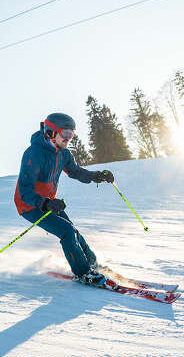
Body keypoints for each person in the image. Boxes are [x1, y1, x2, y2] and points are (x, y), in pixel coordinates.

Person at [14, 113, 114, 285]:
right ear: (51, 132)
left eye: (72, 134)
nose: (69, 139)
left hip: (48, 204)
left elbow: (75, 172)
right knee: (66, 231)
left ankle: (92, 263)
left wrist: (97, 176)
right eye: (66, 134)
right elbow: (24, 190)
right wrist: (44, 202)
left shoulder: (64, 154)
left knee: (72, 230)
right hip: (29, 205)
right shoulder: (34, 154)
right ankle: (83, 273)